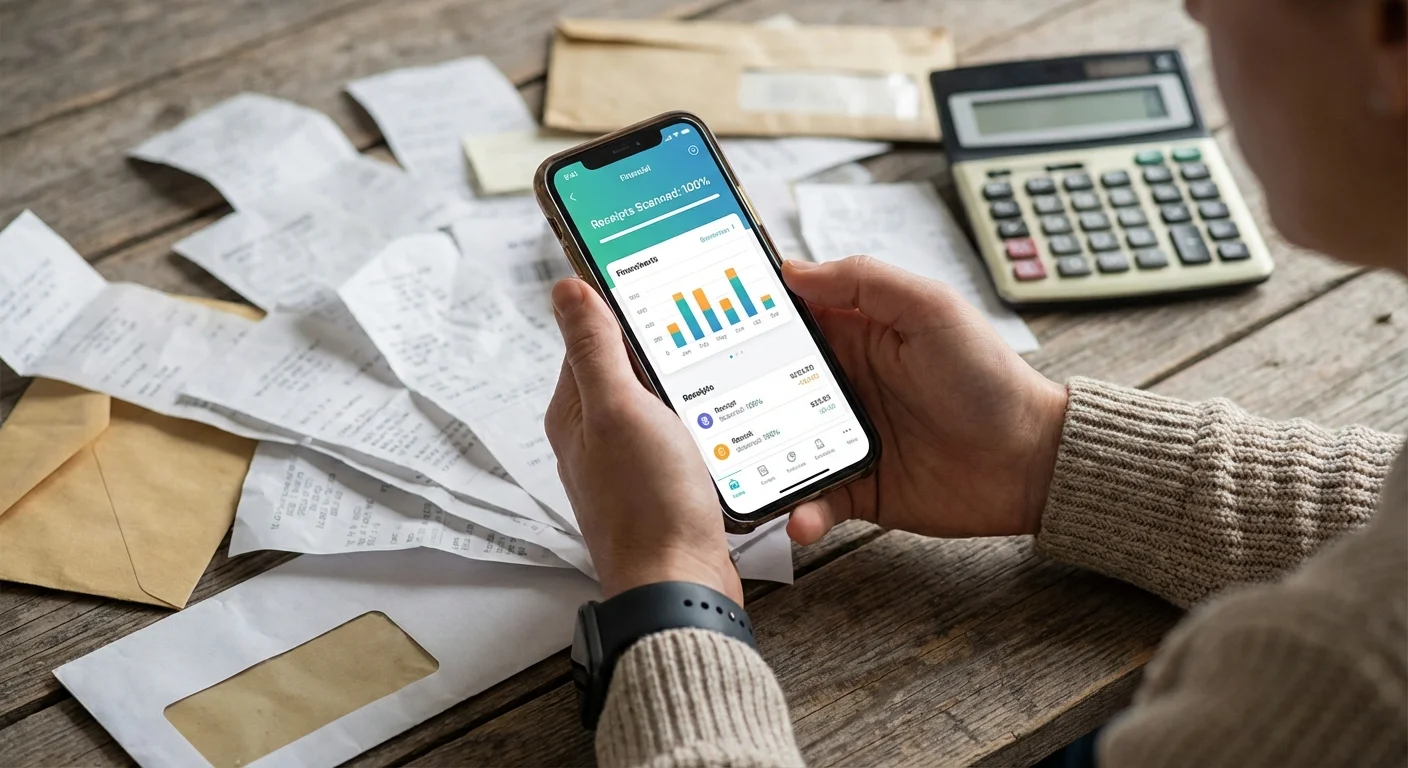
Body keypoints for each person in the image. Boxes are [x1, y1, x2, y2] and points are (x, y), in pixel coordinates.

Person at [544, 0, 1408, 765]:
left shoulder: (1349, 676)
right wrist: (1038, 453)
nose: (1190, 9)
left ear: (1388, 35)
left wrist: (668, 583)